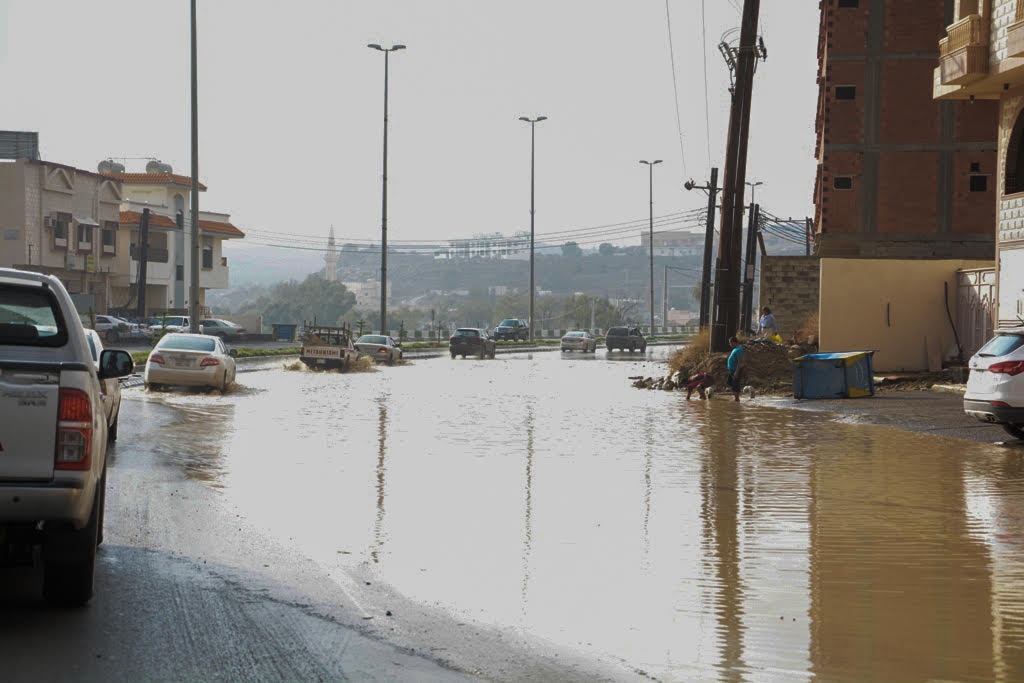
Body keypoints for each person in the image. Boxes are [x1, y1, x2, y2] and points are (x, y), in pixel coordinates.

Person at [727, 336, 744, 402]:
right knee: (730, 382)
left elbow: (740, 362)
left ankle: (737, 399)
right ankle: (736, 395)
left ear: (733, 342)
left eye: (730, 343)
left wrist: (737, 371)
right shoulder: (736, 349)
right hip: (732, 370)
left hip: (735, 370)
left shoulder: (739, 350)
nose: (730, 344)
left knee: (735, 384)